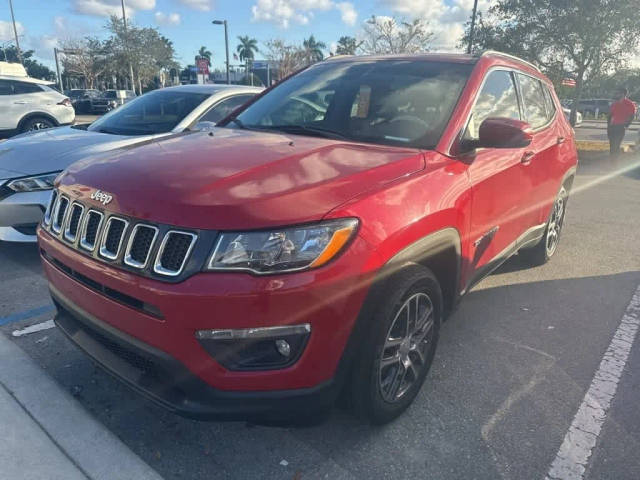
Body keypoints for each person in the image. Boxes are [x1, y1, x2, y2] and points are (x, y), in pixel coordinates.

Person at [607, 87, 636, 158]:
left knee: (616, 146)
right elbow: (610, 115)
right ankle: (612, 164)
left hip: (620, 127)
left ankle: (615, 164)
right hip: (612, 127)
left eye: (617, 93)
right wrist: (609, 125)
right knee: (612, 146)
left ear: (622, 94)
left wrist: (626, 125)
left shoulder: (630, 104)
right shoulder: (614, 104)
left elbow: (631, 116)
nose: (615, 95)